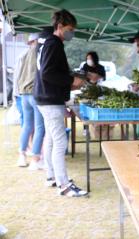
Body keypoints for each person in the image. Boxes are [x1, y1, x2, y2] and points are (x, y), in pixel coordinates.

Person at [34, 9, 97, 197]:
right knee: (60, 141)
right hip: (49, 100)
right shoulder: (53, 44)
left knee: (52, 139)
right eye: (70, 29)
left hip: (46, 99)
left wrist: (75, 78)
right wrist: (71, 82)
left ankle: (51, 176)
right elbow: (48, 73)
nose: (72, 33)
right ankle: (64, 185)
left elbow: (53, 71)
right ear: (60, 26)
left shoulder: (49, 44)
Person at [17, 33, 46, 169]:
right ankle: (35, 160)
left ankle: (22, 156)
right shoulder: (39, 52)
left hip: (23, 94)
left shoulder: (23, 55)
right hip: (35, 93)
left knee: (27, 126)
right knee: (40, 127)